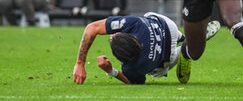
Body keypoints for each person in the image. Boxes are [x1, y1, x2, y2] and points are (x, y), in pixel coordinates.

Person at [73, 12, 220, 85]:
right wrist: (79, 64)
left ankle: (184, 50)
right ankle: (184, 38)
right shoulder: (134, 24)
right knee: (149, 16)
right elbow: (92, 27)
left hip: (167, 59)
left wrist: (111, 71)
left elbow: (135, 82)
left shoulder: (132, 68)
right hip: (168, 27)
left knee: (156, 72)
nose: (111, 36)